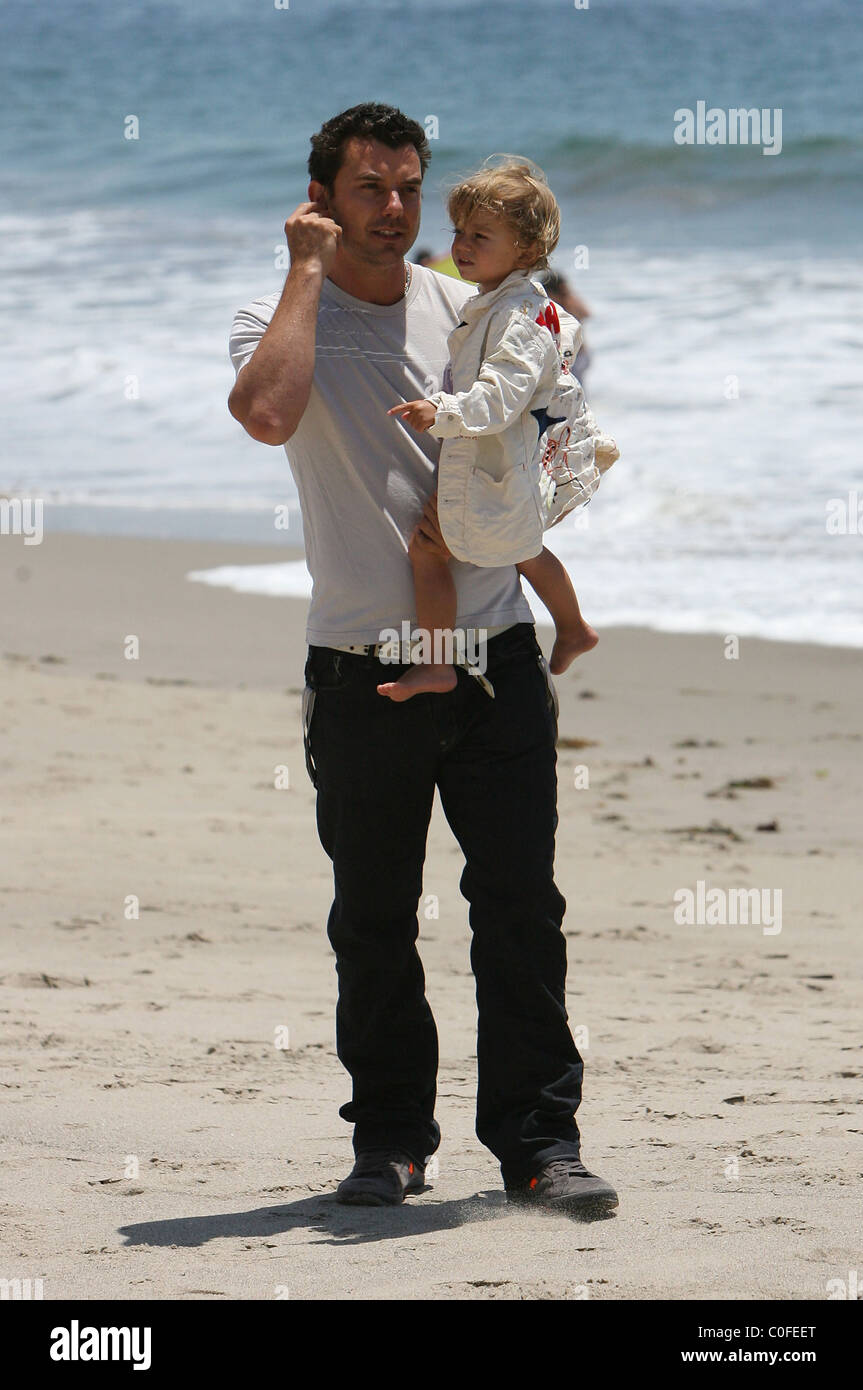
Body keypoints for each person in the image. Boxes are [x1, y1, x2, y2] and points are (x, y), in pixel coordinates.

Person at [228, 103, 618, 1217]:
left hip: (489, 659)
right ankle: (392, 1141)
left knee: (517, 907)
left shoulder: (469, 304)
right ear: (320, 198)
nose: (395, 210)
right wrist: (305, 271)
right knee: (372, 917)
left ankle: (539, 1143)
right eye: (368, 188)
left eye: (408, 187)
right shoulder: (274, 316)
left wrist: (529, 504)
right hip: (360, 665)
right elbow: (265, 414)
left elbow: (553, 411)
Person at [380, 157, 613, 703]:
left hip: (491, 463)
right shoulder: (501, 304)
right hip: (506, 464)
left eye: (480, 235)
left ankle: (437, 665)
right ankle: (574, 627)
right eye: (458, 232)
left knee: (429, 551)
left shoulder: (518, 317)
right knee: (524, 547)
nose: (461, 245)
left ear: (527, 251)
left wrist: (440, 412)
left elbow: (500, 398)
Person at [542, 269, 593, 384]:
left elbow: (587, 314)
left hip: (576, 356)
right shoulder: (570, 303)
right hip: (579, 355)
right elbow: (587, 314)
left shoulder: (564, 305)